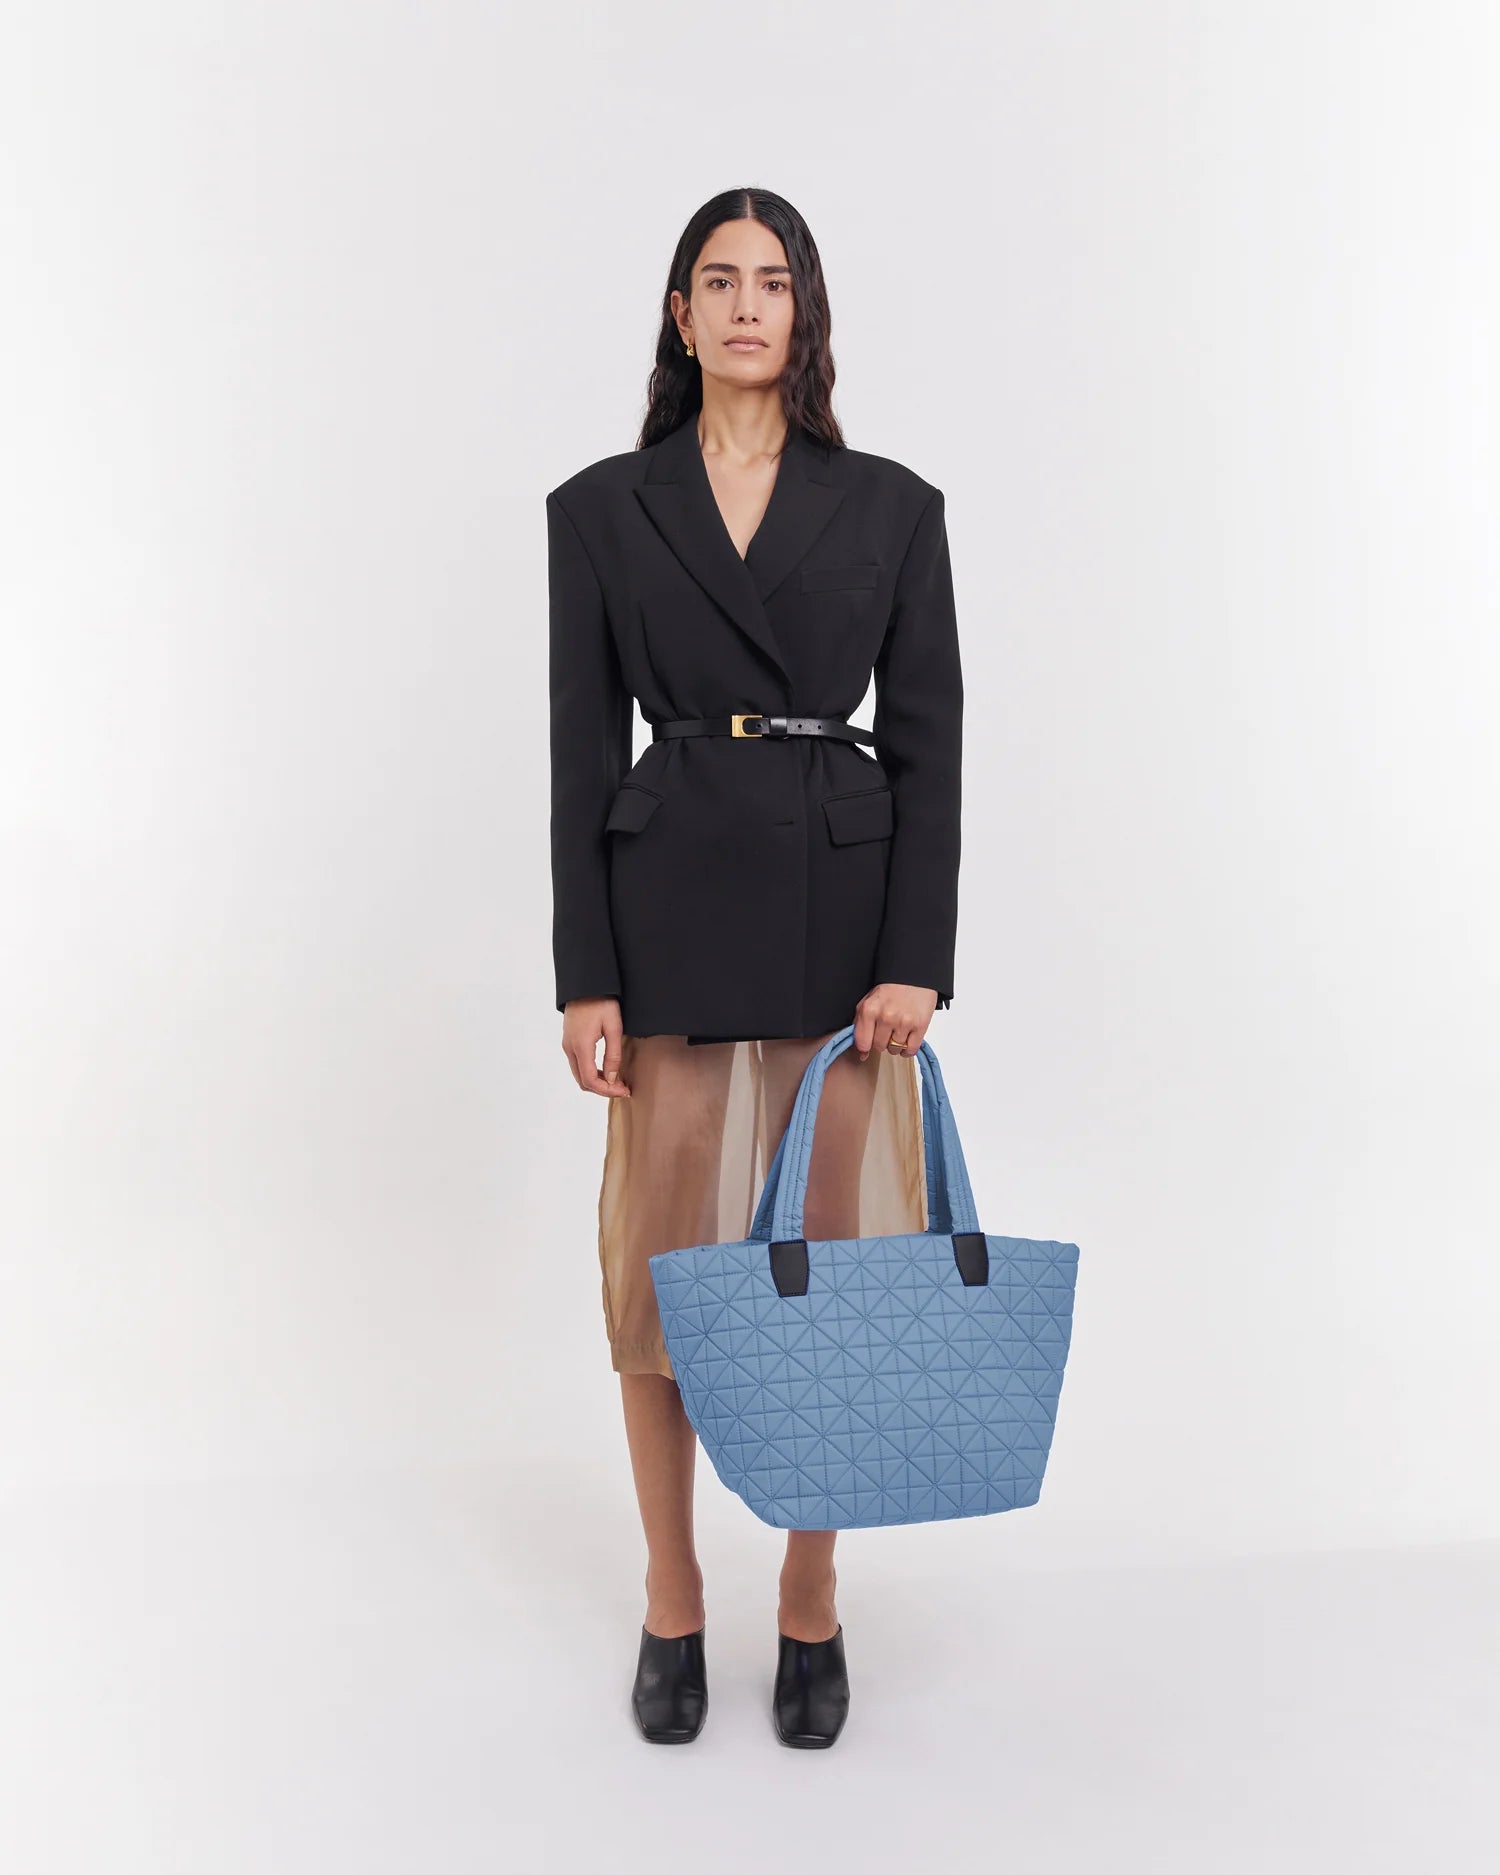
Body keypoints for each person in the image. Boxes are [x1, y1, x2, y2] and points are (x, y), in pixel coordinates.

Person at [546, 186, 963, 1747]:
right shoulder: (600, 509)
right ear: (680, 314)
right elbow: (575, 751)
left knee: (834, 1281)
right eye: (715, 282)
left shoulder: (892, 507)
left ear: (806, 315)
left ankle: (808, 1597)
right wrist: (587, 971)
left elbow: (931, 744)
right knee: (662, 1280)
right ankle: (672, 1596)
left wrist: (915, 954)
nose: (742, 307)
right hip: (664, 917)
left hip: (841, 928)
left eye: (770, 282)